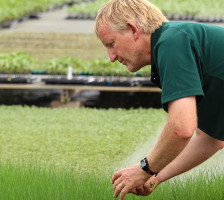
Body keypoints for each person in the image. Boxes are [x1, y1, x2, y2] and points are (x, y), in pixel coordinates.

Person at [94, 0, 224, 199]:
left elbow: (181, 128)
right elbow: (210, 139)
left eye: (111, 44)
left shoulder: (171, 42)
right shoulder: (178, 42)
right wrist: (154, 176)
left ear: (133, 30)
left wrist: (144, 169)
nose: (111, 57)